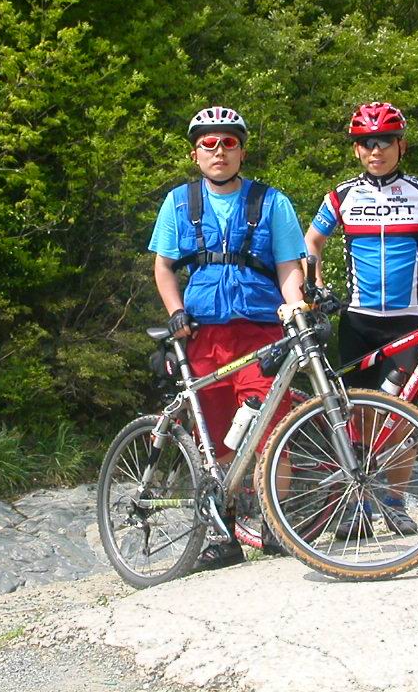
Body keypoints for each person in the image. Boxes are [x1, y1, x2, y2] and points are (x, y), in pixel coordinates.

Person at [148, 106, 305, 569]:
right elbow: (163, 266)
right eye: (209, 144)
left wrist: (296, 306)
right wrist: (175, 312)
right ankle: (224, 537)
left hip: (261, 336)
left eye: (229, 143)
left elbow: (288, 265)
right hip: (203, 336)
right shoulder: (179, 203)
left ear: (242, 151)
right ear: (195, 154)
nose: (219, 151)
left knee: (271, 432)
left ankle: (276, 528)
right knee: (213, 437)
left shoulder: (271, 202)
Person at [305, 101, 418, 539]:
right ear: (357, 150)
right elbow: (312, 242)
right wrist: (315, 284)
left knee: (400, 417)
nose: (376, 150)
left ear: (401, 146)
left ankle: (393, 504)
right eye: (367, 143)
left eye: (385, 142)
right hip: (357, 322)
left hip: (408, 323)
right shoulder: (341, 196)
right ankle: (355, 507)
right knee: (353, 417)